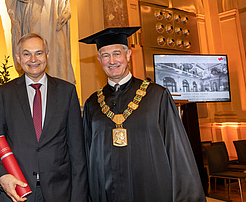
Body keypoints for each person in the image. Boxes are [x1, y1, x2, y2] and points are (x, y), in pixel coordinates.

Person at [79, 27, 206, 202]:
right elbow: (87, 155)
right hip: (107, 193)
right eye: (105, 56)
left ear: (128, 55)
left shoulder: (157, 96)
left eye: (117, 53)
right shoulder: (92, 104)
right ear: (99, 59)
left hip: (151, 190)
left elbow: (177, 151)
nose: (112, 61)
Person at [0, 33, 88, 202]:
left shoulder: (67, 91)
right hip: (18, 190)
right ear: (19, 58)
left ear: (47, 55)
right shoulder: (6, 93)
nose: (33, 59)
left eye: (39, 53)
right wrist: (2, 175)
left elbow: (77, 150)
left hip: (59, 191)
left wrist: (78, 197)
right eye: (26, 54)